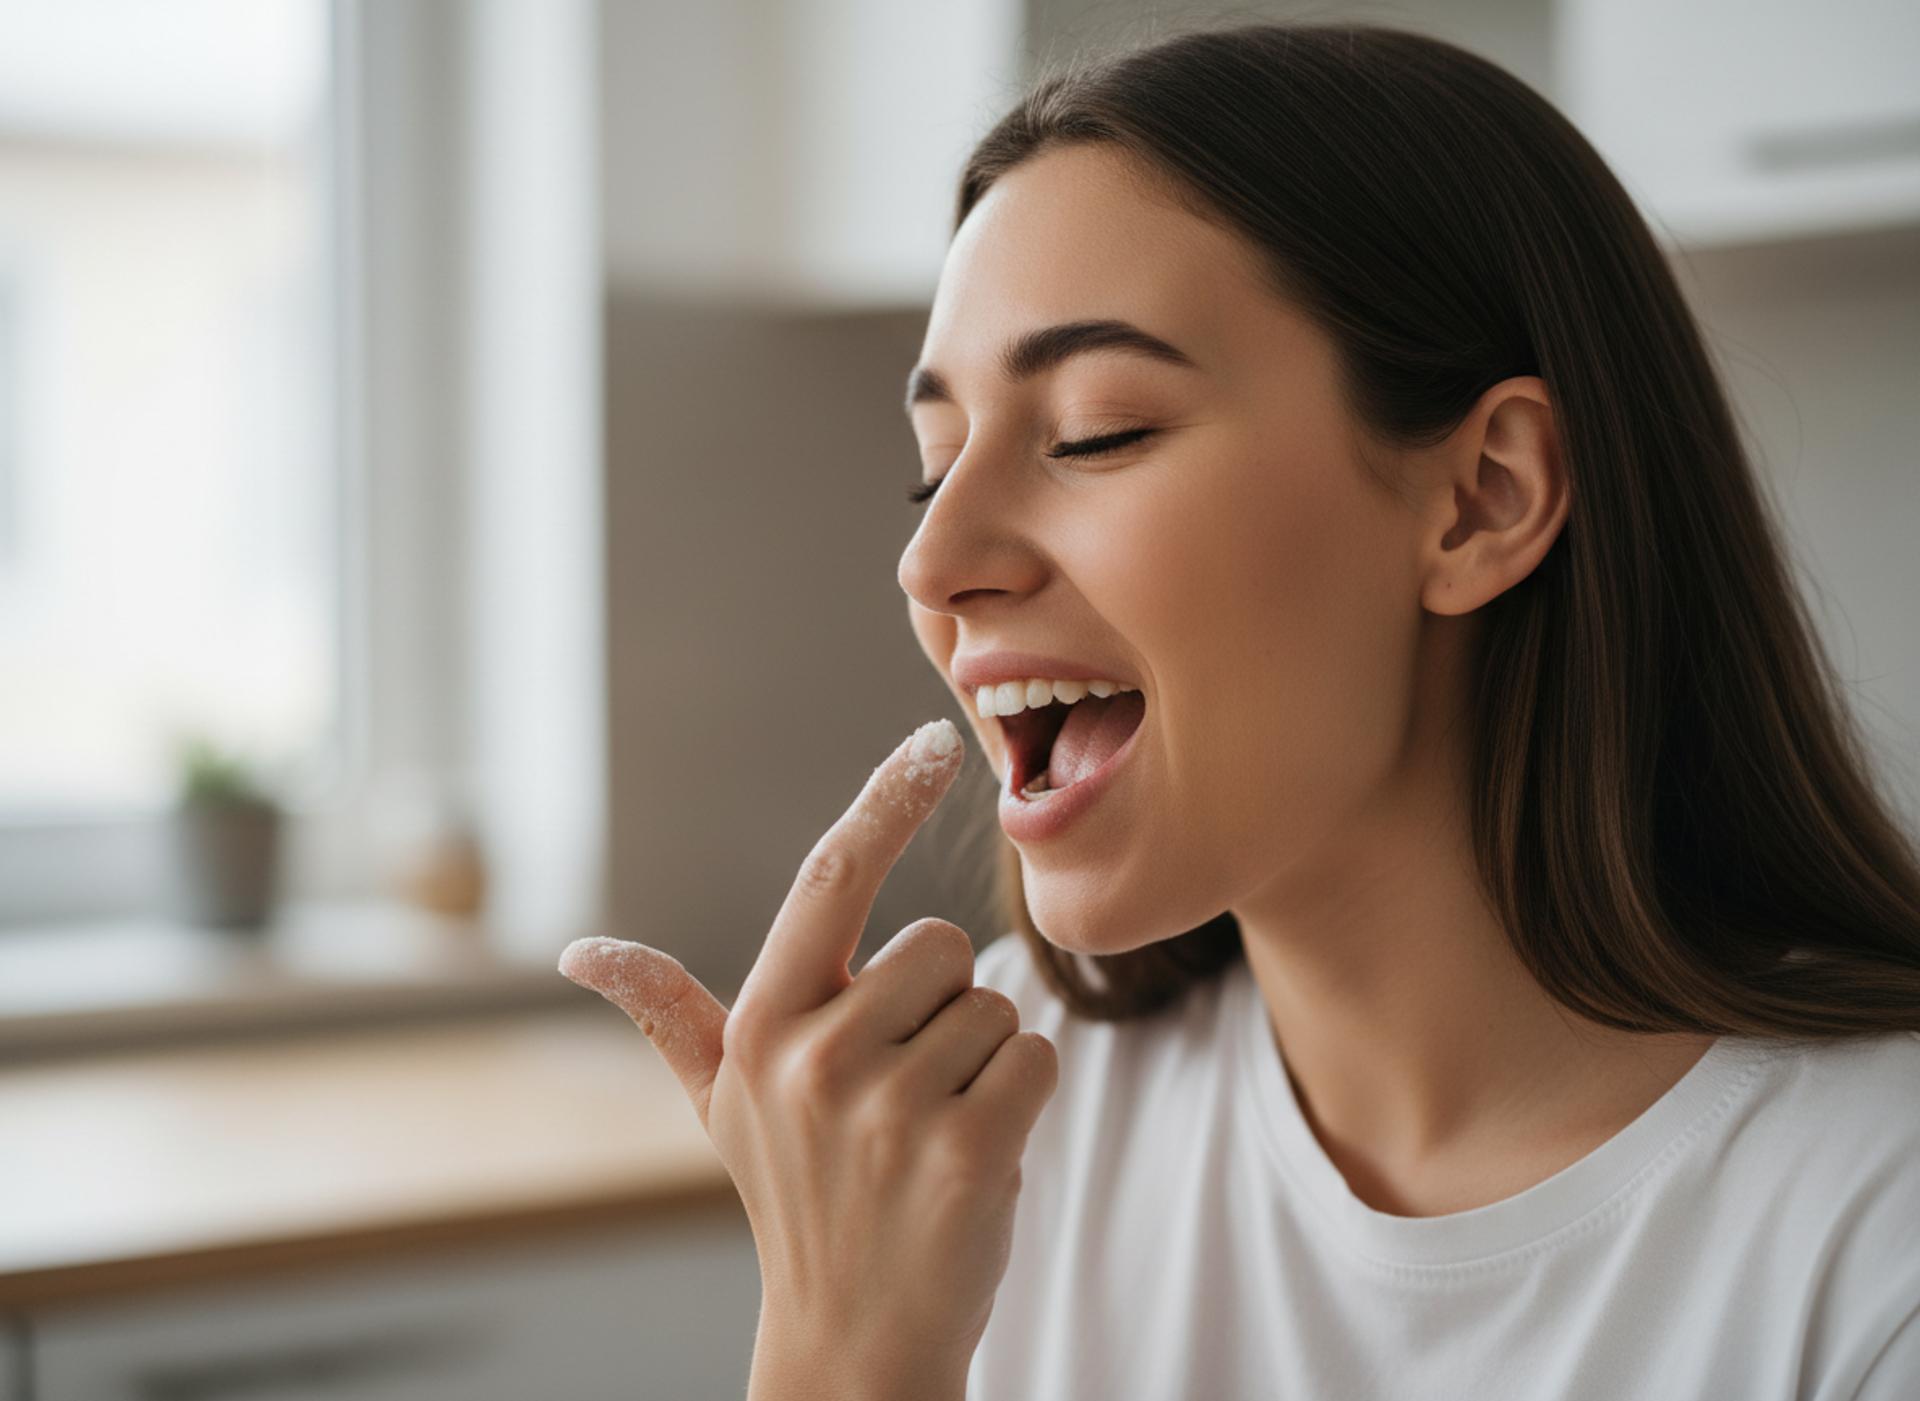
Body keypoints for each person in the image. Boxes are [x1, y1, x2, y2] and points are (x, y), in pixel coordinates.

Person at [562, 20, 1920, 1400]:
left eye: (1096, 431)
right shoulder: (988, 1122)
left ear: (1484, 496)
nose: (931, 560)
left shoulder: (1875, 1236)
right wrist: (839, 1344)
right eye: (933, 466)